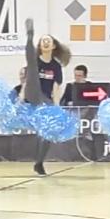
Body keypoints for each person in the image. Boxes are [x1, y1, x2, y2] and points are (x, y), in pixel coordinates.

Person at [20, 20, 72, 177]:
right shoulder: (35, 61)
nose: (46, 42)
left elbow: (56, 88)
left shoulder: (56, 66)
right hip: (31, 94)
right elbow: (26, 81)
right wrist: (21, 97)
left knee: (47, 131)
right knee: (32, 67)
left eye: (48, 40)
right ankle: (29, 36)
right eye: (43, 40)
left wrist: (56, 107)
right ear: (40, 46)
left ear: (53, 46)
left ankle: (39, 163)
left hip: (44, 99)